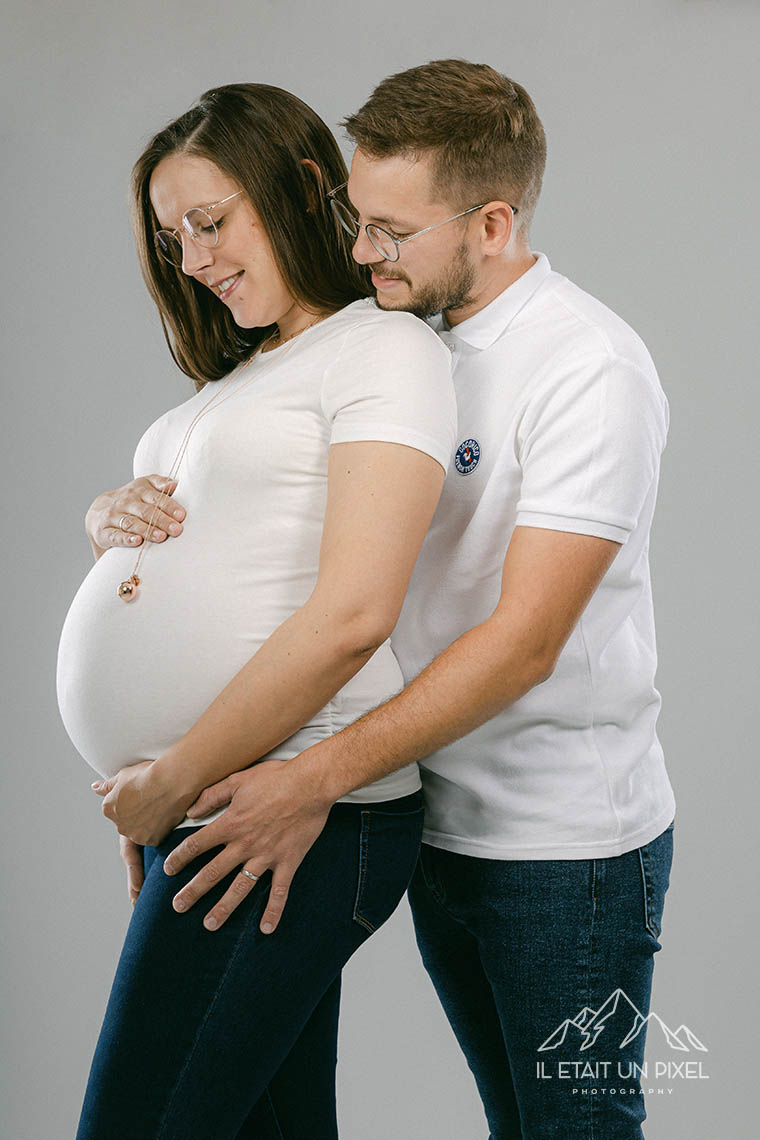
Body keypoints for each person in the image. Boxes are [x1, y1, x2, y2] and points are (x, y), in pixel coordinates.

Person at [159, 61, 677, 1140]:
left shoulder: (587, 367)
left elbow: (527, 641)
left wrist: (307, 780)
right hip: (434, 821)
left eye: (391, 231)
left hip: (562, 852)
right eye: (357, 216)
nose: (357, 252)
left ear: (491, 222)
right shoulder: (403, 340)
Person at [56, 82, 457, 1139]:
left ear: (300, 186)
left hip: (288, 807)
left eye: (209, 220)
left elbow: (354, 610)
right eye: (169, 234)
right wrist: (107, 519)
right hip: (203, 811)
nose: (191, 258)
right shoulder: (234, 385)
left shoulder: (383, 347)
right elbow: (224, 538)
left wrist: (176, 780)